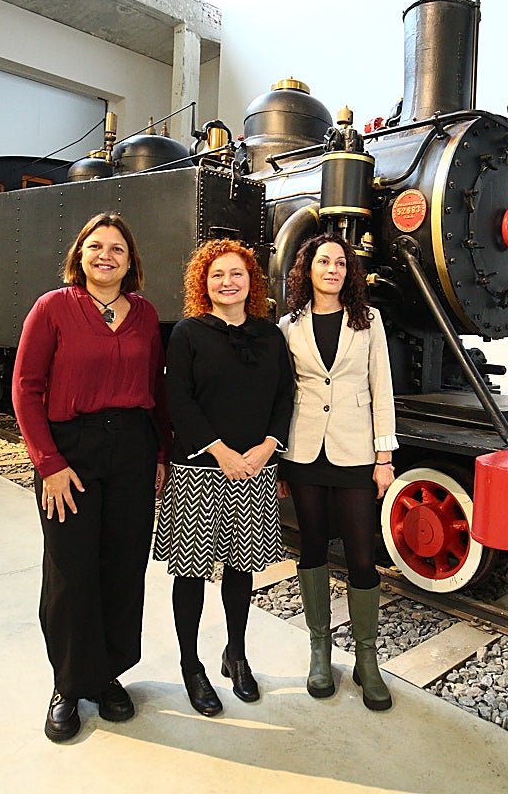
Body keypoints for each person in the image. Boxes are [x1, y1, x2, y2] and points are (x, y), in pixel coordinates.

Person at [12, 212, 169, 743]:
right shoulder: (52, 308)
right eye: (96, 247)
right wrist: (49, 464)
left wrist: (160, 455)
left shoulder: (145, 315)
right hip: (71, 449)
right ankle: (67, 683)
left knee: (123, 564)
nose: (107, 256)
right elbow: (26, 388)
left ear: (131, 261)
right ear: (79, 255)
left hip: (131, 448)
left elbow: (156, 390)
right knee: (70, 569)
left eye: (118, 249)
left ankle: (107, 676)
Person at [153, 238, 292, 716]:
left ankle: (236, 653)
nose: (227, 282)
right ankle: (191, 665)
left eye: (236, 274)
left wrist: (267, 447)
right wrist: (222, 453)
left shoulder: (270, 336)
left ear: (251, 281)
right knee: (189, 574)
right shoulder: (187, 333)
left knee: (241, 570)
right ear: (203, 283)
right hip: (198, 470)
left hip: (255, 469)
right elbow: (180, 401)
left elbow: (283, 398)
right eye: (217, 275)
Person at [279, 233, 398, 711]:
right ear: (307, 268)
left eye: (341, 263)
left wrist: (384, 457)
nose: (332, 269)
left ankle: (367, 659)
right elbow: (283, 391)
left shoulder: (369, 321)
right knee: (310, 547)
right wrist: (279, 453)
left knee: (362, 554)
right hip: (305, 449)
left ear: (350, 273)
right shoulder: (288, 325)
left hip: (355, 450)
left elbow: (382, 387)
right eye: (323, 261)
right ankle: (320, 649)